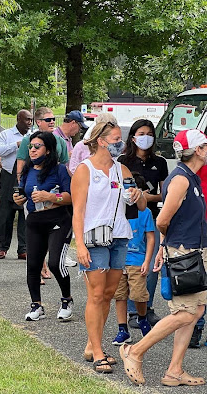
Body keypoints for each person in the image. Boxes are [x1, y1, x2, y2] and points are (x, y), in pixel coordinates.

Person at [120, 129, 207, 387]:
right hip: (185, 252)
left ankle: (174, 371)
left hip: (193, 249)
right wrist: (169, 247)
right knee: (184, 312)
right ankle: (135, 351)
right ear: (198, 150)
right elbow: (162, 220)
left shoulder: (190, 177)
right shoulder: (181, 179)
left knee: (196, 309)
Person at [71, 121, 146, 374]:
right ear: (101, 141)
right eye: (115, 139)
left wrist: (138, 195)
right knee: (95, 293)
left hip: (119, 237)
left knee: (108, 294)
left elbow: (142, 206)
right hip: (93, 238)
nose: (120, 143)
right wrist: (79, 245)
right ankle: (98, 351)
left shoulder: (122, 169)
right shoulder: (85, 170)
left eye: (120, 139)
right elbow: (78, 211)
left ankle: (93, 344)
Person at [13, 131, 74, 322]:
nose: (32, 150)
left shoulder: (60, 170)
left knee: (55, 263)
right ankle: (36, 305)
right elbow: (22, 192)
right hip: (34, 220)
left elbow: (71, 197)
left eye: (37, 146)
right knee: (33, 265)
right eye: (31, 146)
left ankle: (66, 300)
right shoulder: (28, 170)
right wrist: (18, 198)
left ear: (48, 150)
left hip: (58, 220)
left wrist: (49, 196)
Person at [118, 119, 169, 331]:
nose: (145, 137)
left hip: (152, 217)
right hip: (127, 217)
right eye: (141, 133)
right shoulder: (123, 161)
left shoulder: (160, 162)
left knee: (151, 265)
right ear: (133, 136)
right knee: (129, 264)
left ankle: (146, 306)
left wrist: (145, 198)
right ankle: (132, 310)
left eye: (149, 133)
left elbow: (164, 194)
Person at [111, 173, 155, 345]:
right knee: (119, 295)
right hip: (119, 258)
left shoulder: (146, 212)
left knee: (138, 294)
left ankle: (142, 318)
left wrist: (147, 260)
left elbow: (150, 237)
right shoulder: (116, 208)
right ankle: (123, 329)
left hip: (137, 259)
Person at [0, 109, 33, 259]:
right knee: (5, 213)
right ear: (18, 119)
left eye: (31, 120)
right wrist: (17, 145)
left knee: (24, 213)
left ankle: (23, 248)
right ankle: (3, 246)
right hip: (9, 176)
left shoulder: (32, 136)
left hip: (26, 177)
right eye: (26, 120)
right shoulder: (6, 135)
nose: (29, 123)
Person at [16, 107, 69, 180]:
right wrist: (21, 184)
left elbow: (64, 164)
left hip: (55, 182)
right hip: (33, 181)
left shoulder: (61, 141)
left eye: (53, 119)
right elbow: (20, 164)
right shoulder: (27, 140)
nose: (52, 122)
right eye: (48, 120)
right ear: (38, 122)